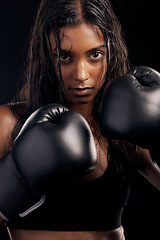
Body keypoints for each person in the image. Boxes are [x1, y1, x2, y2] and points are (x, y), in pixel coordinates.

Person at [0, 0, 159, 240]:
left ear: (110, 51)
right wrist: (15, 175)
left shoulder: (127, 121)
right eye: (65, 57)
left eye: (95, 55)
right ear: (45, 55)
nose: (81, 75)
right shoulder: (9, 124)